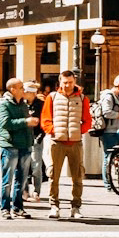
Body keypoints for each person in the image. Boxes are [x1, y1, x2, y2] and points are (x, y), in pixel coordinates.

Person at [41, 70, 91, 220]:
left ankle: (76, 207)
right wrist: (53, 131)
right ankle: (54, 205)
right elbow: (45, 118)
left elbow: (88, 120)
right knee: (53, 175)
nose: (68, 85)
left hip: (75, 143)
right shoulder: (52, 97)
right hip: (57, 142)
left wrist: (79, 131)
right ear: (60, 82)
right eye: (65, 82)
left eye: (70, 82)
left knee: (77, 177)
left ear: (74, 81)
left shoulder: (82, 98)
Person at [0, 77, 36, 219]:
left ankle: (17, 207)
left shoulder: (22, 104)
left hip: (25, 144)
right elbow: (5, 123)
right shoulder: (2, 104)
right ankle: (5, 208)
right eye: (21, 87)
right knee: (8, 179)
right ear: (12, 89)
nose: (23, 90)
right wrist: (26, 121)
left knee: (22, 179)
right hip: (10, 145)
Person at [95, 74, 119, 161]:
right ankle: (107, 175)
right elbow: (107, 113)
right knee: (109, 157)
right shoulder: (109, 96)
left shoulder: (117, 98)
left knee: (118, 156)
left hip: (116, 131)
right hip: (109, 132)